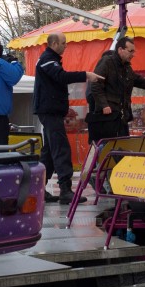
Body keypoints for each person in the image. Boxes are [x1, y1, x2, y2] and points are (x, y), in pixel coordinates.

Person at [34, 32, 104, 204]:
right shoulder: (48, 59)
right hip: (49, 111)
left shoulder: (49, 59)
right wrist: (85, 75)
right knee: (61, 148)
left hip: (51, 110)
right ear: (54, 44)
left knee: (50, 152)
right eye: (63, 43)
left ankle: (38, 189)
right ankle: (65, 189)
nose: (66, 46)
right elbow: (61, 77)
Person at [87, 36, 145, 143]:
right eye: (130, 51)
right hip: (108, 118)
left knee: (122, 148)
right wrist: (104, 105)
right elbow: (95, 84)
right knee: (107, 149)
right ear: (120, 50)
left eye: (134, 51)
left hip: (121, 118)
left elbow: (144, 82)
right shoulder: (107, 62)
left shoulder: (126, 68)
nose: (133, 54)